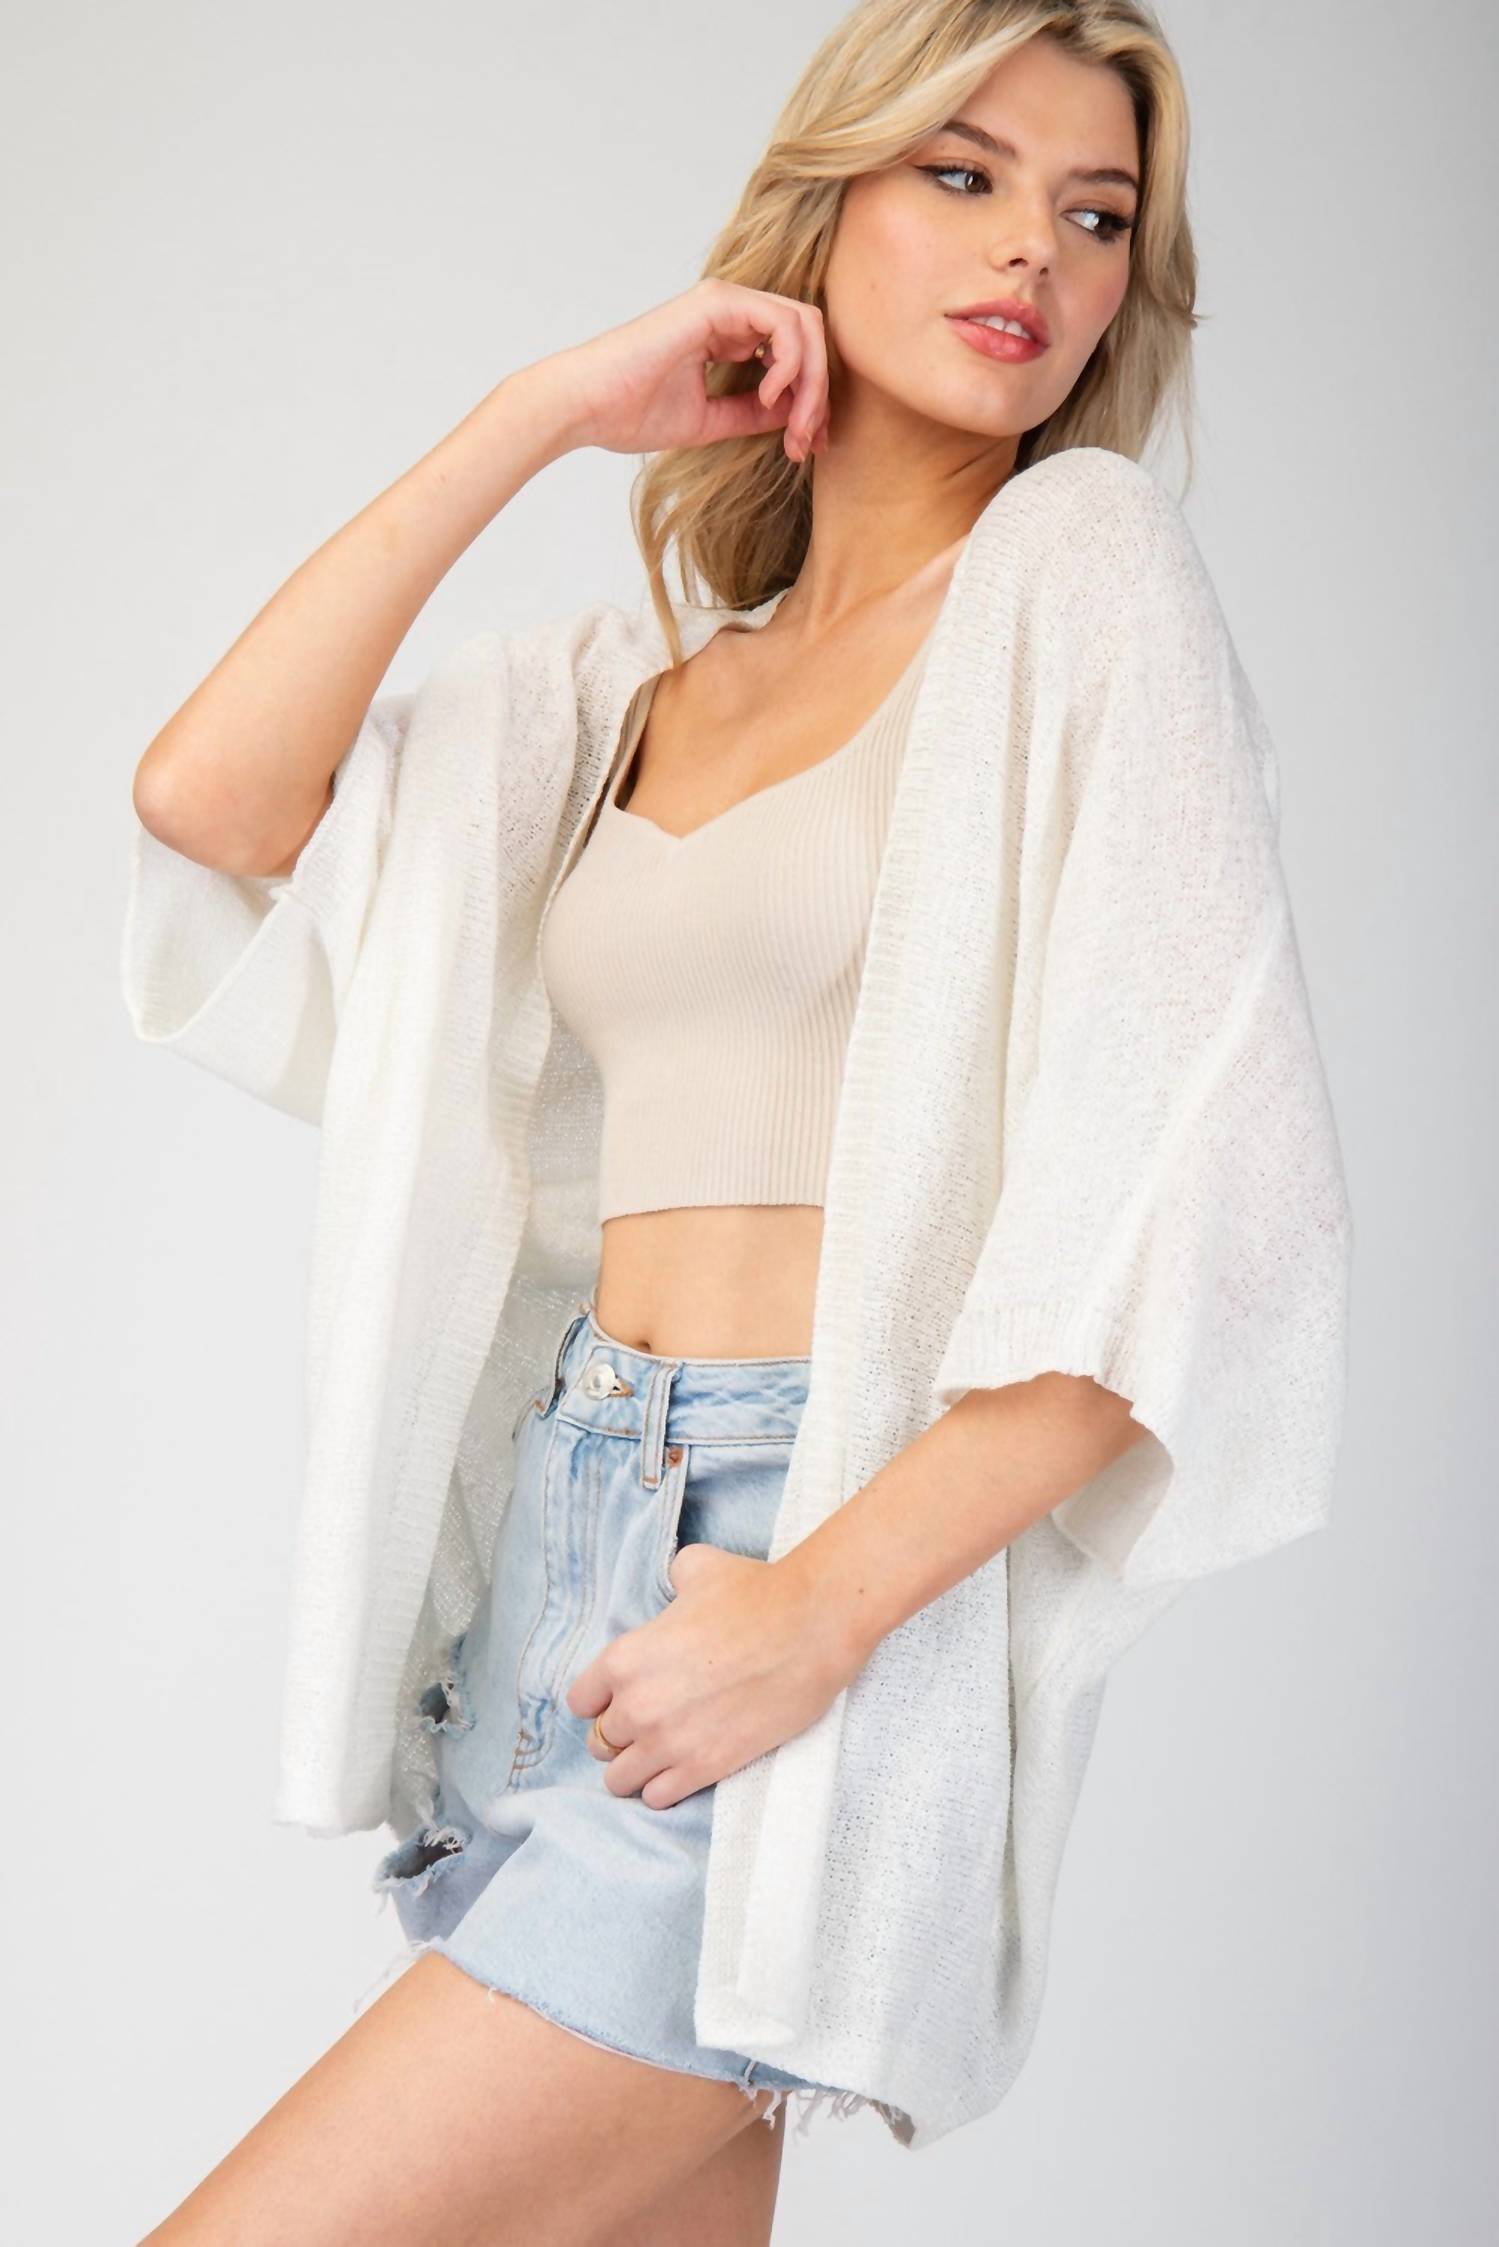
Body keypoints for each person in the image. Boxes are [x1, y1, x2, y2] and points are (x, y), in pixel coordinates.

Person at [124, 3, 1352, 2240]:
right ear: (826, 202)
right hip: (562, 1569)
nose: (1038, 252)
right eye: (964, 175)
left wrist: (815, 1614)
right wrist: (542, 410)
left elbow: (1189, 1215)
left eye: (1097, 216)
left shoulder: (1080, 579)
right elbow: (212, 802)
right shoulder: (620, 699)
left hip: (794, 1564)